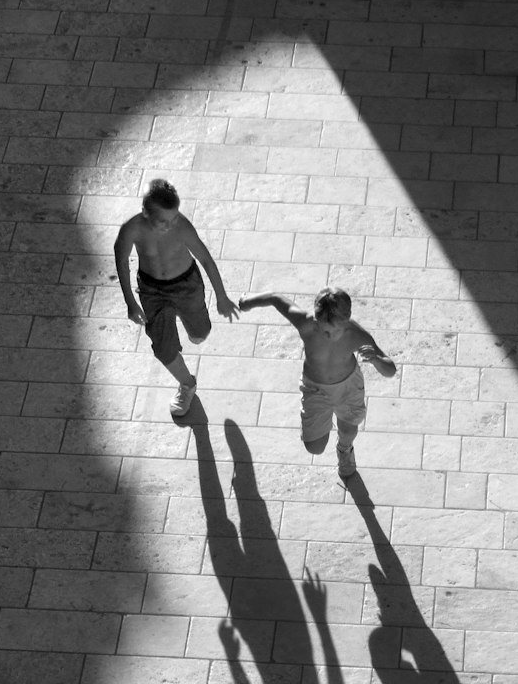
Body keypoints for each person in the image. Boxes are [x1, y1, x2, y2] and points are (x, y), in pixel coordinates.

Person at [237, 286, 396, 477]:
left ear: (347, 319)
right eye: (324, 329)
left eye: (335, 330)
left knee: (348, 430)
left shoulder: (357, 336)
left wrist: (376, 360)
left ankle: (345, 450)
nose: (328, 335)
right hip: (315, 388)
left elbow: (390, 370)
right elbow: (275, 298)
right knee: (315, 448)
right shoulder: (306, 324)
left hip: (348, 388)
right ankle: (323, 422)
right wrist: (249, 301)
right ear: (315, 317)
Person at [114, 179, 239, 416]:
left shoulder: (181, 227)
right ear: (145, 213)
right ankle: (187, 384)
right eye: (163, 221)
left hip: (186, 285)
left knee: (200, 333)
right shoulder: (132, 229)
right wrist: (130, 301)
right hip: (152, 290)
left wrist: (221, 297)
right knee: (162, 347)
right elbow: (121, 261)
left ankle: (193, 328)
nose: (170, 226)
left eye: (173, 218)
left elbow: (206, 260)